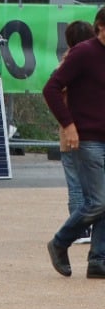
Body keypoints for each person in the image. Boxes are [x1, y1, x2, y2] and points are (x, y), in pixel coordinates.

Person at [44, 6, 105, 280]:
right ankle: (60, 242)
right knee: (98, 202)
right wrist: (68, 125)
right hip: (88, 137)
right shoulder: (83, 53)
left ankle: (98, 260)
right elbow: (51, 88)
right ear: (100, 27)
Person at [57, 20, 96, 244]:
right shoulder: (94, 61)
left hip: (69, 134)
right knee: (93, 185)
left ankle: (79, 228)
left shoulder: (66, 65)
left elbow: (55, 91)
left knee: (75, 185)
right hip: (94, 133)